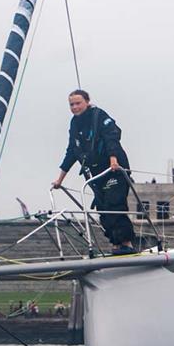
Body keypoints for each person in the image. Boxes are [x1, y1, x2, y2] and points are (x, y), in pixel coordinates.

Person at [51, 89, 136, 255]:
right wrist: (60, 179)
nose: (75, 107)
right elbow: (72, 151)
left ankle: (127, 243)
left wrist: (113, 159)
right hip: (95, 173)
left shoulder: (99, 115)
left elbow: (112, 136)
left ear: (87, 102)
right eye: (71, 104)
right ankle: (116, 245)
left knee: (115, 204)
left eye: (78, 103)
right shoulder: (74, 124)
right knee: (102, 208)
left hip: (114, 169)